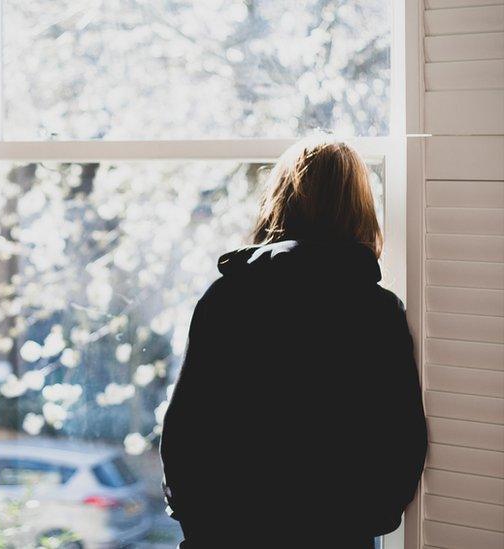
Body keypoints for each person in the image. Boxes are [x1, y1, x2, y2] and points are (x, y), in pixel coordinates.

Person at [159, 139, 428, 549]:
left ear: (279, 201)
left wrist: (202, 528)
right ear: (359, 209)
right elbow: (401, 439)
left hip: (226, 533)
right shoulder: (377, 311)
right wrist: (360, 521)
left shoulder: (227, 297)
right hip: (334, 535)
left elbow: (185, 434)